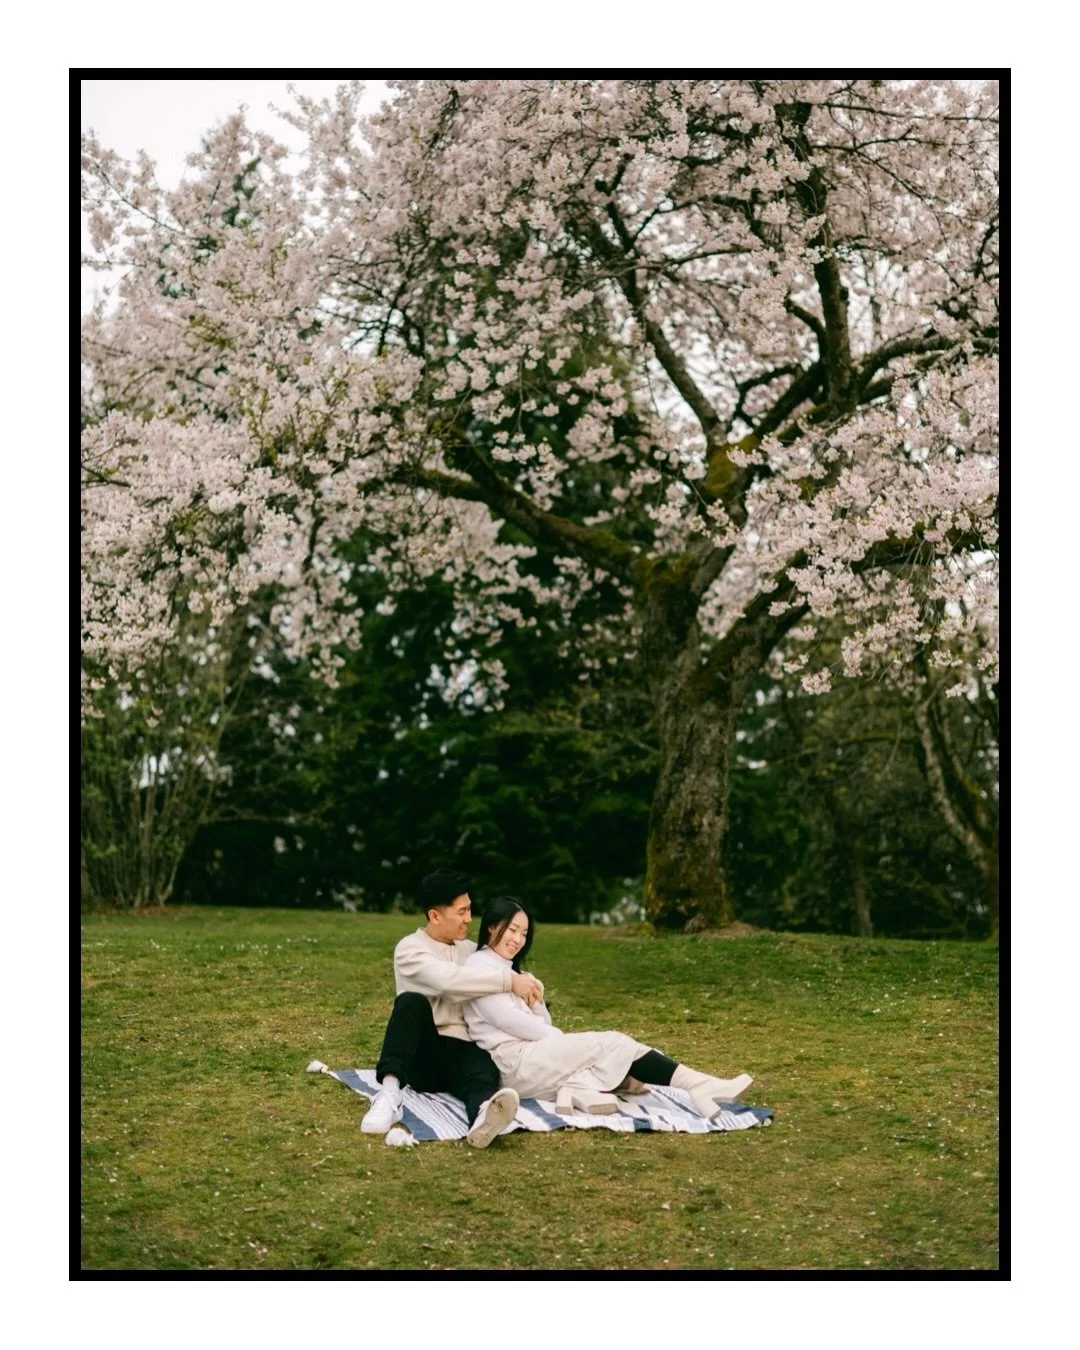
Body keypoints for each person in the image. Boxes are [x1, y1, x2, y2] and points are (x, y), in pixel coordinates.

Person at [461, 896, 753, 1118]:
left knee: (620, 1057)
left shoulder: (514, 973)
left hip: (535, 1057)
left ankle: (697, 1087)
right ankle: (700, 1085)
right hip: (513, 1064)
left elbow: (542, 1023)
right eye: (512, 930)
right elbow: (511, 1022)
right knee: (612, 1045)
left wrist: (536, 997)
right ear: (492, 926)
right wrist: (566, 1043)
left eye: (523, 934)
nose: (518, 940)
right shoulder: (479, 967)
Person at [361, 868, 547, 1148]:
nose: (469, 919)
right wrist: (509, 981)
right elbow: (449, 981)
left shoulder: (472, 950)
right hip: (426, 1053)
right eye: (461, 912)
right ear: (435, 915)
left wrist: (529, 983)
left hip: (464, 1051)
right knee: (410, 1003)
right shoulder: (410, 949)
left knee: (483, 1067)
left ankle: (484, 1117)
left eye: (470, 910)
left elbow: (506, 966)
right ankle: (389, 1095)